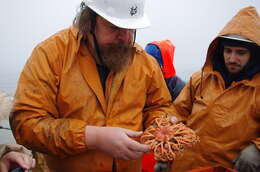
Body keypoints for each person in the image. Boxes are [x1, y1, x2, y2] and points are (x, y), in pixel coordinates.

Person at [9, 0, 173, 171]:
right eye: (114, 27)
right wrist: (91, 137)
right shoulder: (51, 55)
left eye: (131, 29)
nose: (125, 38)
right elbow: (25, 124)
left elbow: (159, 106)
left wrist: (159, 125)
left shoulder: (145, 64)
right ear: (89, 22)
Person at [169, 6, 260, 172]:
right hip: (184, 165)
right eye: (228, 51)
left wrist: (257, 149)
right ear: (220, 50)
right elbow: (176, 114)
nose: (232, 58)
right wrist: (163, 158)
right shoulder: (200, 78)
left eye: (241, 53)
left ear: (253, 55)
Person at [141, 40, 185, 172]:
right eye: (146, 61)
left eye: (155, 62)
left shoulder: (179, 88)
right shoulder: (139, 80)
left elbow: (182, 117)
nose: (150, 67)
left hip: (166, 138)